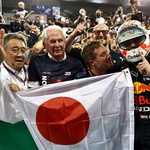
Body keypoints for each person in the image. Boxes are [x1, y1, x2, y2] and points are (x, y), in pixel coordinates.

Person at [0, 30, 38, 149]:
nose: (20, 54)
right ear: (4, 51)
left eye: (23, 50)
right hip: (7, 132)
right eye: (14, 50)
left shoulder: (30, 70)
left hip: (31, 130)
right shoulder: (1, 72)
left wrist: (22, 91)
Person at [116, 19, 150, 150]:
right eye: (128, 43)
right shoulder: (121, 65)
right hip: (131, 126)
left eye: (137, 40)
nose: (133, 45)